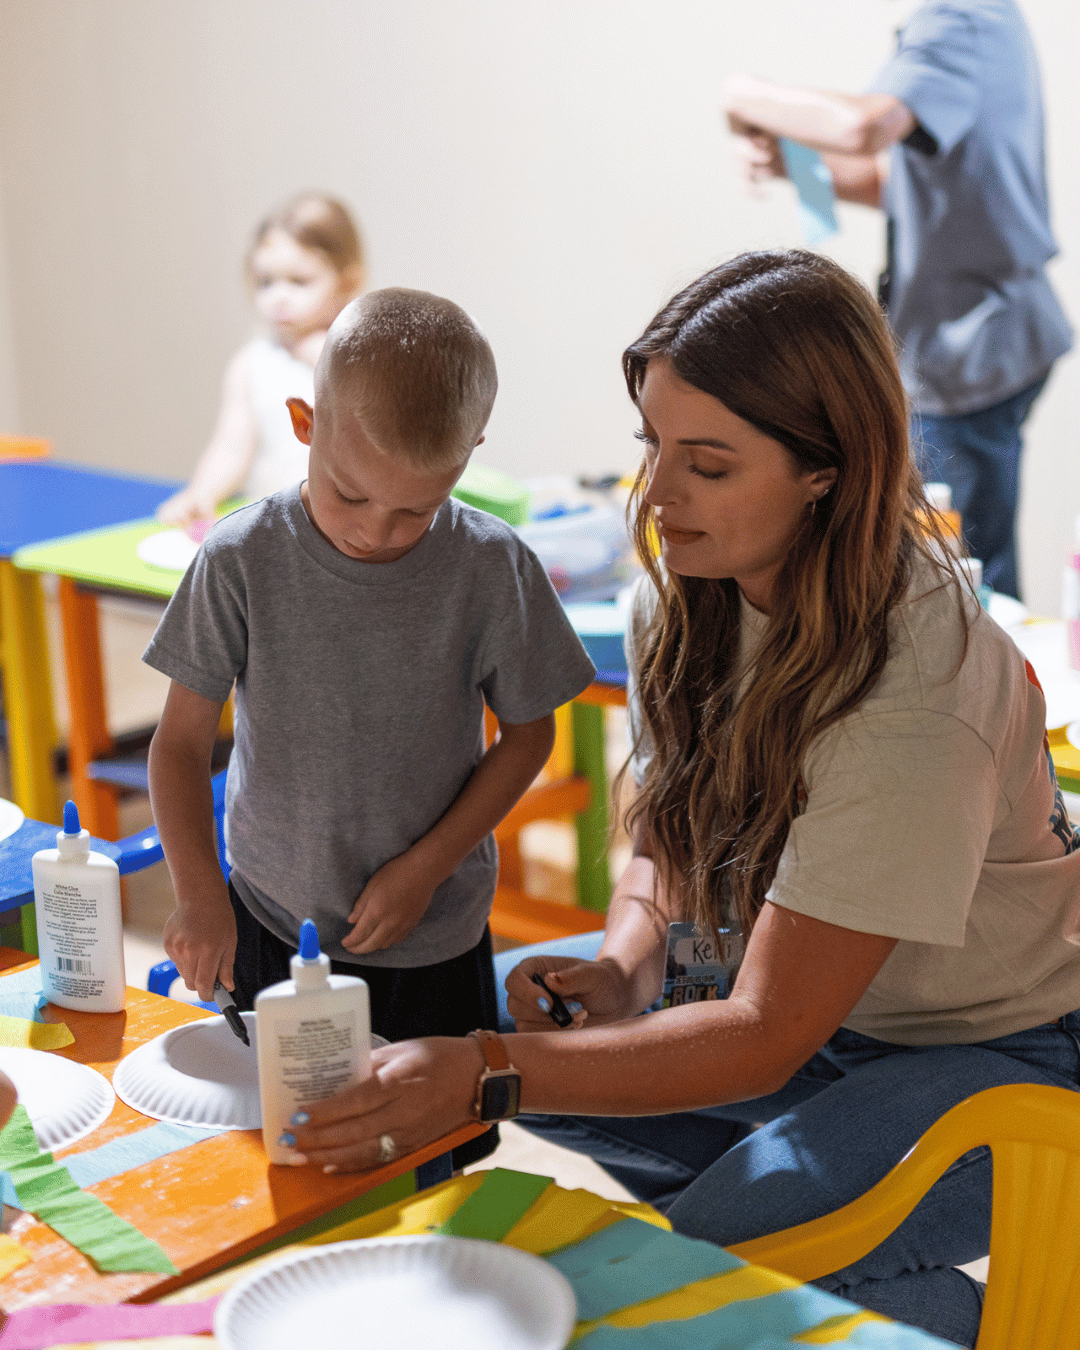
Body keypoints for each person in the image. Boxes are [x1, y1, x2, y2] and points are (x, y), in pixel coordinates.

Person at [281, 252, 1080, 1348]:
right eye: (652, 445)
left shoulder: (914, 689)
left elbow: (760, 1037)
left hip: (993, 1057)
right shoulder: (698, 585)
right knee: (439, 1008)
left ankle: (1026, 1318)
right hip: (792, 1016)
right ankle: (774, 1250)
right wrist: (624, 960)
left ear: (827, 472)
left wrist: (485, 1075)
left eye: (706, 464)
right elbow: (670, 834)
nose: (658, 495)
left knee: (681, 1277)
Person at [144, 287, 596, 1168]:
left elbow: (530, 737)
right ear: (305, 424)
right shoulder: (239, 560)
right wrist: (200, 894)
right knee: (297, 1149)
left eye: (414, 511)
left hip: (431, 934)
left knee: (434, 1155)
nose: (374, 532)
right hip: (272, 916)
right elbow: (178, 744)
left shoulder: (491, 566)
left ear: (468, 458)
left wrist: (428, 865)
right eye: (350, 495)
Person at [721, 0, 1072, 599]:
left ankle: (992, 689)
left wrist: (746, 93)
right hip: (972, 337)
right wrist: (795, 165)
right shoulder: (975, 22)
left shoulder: (961, 19)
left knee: (959, 576)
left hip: (969, 349)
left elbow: (861, 130)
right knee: (957, 564)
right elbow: (900, 182)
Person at [157, 192, 365, 529]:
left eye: (299, 281)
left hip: (350, 533)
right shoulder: (252, 363)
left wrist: (332, 365)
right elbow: (231, 445)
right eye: (266, 281)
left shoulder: (366, 357)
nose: (278, 297)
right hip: (274, 527)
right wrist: (202, 493)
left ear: (348, 282)